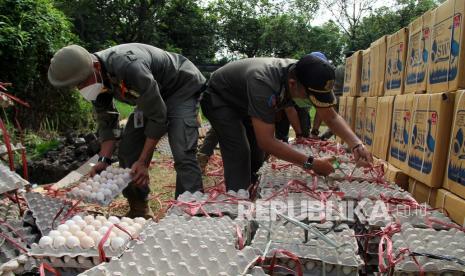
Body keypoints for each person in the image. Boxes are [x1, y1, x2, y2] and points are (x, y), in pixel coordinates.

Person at [48, 44, 205, 218]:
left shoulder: (129, 66)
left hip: (179, 87)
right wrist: (104, 159)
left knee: (182, 151)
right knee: (128, 151)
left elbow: (158, 117)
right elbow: (107, 120)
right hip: (150, 96)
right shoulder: (95, 79)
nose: (81, 88)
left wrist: (144, 161)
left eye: (82, 82)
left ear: (96, 66)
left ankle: (189, 214)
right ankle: (139, 209)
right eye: (76, 86)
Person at [200, 55, 373, 191]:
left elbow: (331, 117)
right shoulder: (264, 82)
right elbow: (267, 141)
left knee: (256, 153)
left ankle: (250, 188)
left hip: (245, 100)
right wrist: (312, 163)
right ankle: (236, 200)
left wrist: (356, 144)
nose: (310, 102)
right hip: (220, 99)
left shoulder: (307, 74)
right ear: (292, 84)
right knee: (239, 149)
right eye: (309, 97)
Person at [311, 51, 351, 139]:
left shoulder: (339, 68)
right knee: (339, 121)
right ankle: (324, 138)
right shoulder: (350, 69)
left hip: (333, 97)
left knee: (335, 120)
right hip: (343, 98)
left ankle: (323, 137)